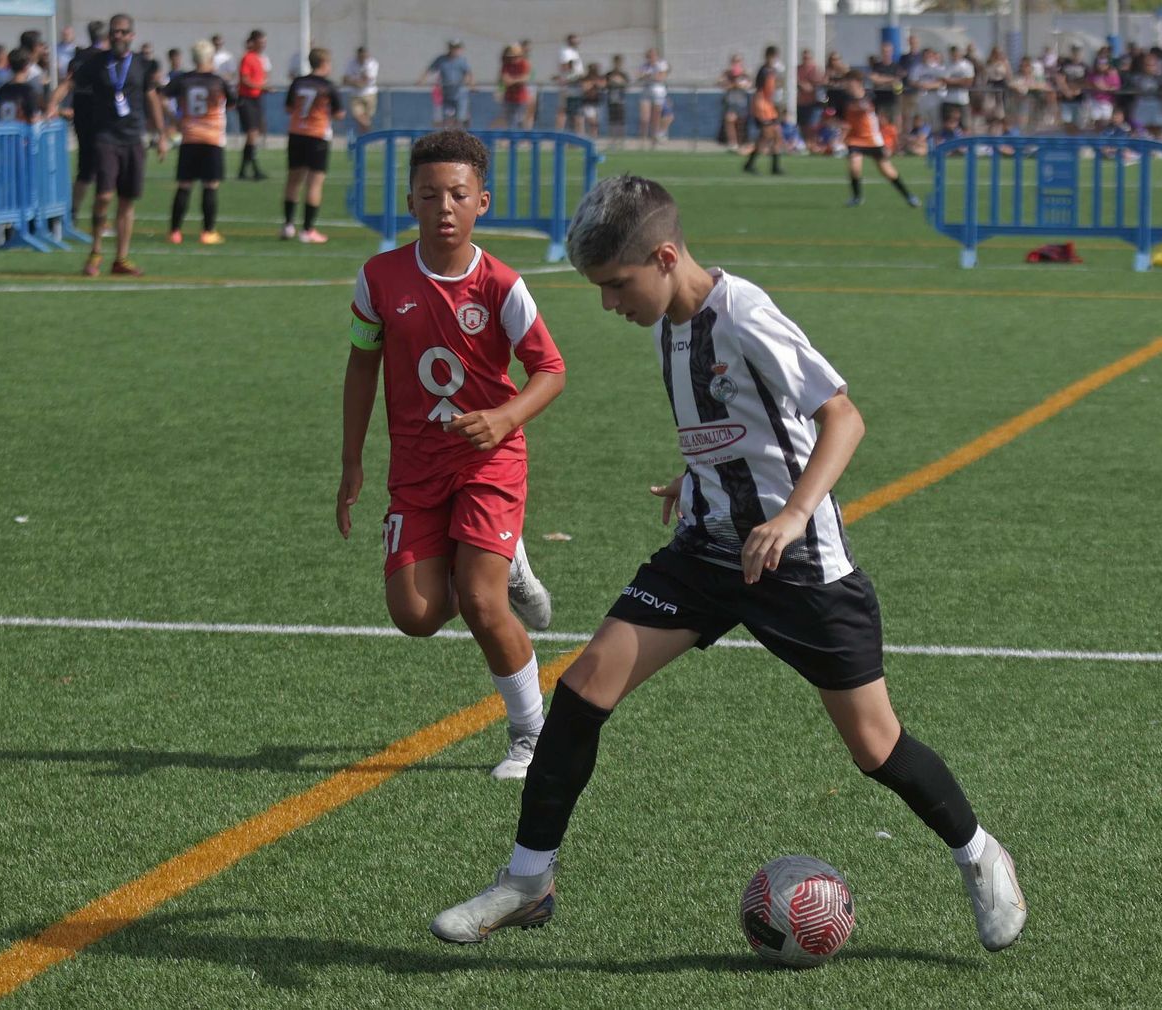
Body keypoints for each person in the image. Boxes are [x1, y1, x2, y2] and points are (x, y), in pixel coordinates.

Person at [427, 173, 1029, 953]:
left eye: (617, 285)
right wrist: (697, 476)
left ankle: (980, 856)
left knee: (875, 746)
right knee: (580, 692)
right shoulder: (667, 325)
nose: (610, 304)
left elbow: (842, 418)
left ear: (667, 256)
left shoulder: (743, 313)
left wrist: (791, 514)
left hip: (799, 565)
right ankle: (527, 882)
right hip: (706, 553)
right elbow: (736, 423)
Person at [337, 129, 564, 782]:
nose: (444, 206)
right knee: (415, 614)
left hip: (489, 463)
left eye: (458, 195)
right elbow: (361, 366)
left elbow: (549, 369)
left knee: (481, 601)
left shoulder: (500, 284)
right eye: (430, 194)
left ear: (481, 202)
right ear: (409, 199)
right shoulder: (379, 278)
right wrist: (352, 462)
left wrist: (505, 416)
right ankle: (507, 554)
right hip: (415, 467)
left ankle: (530, 737)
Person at [46, 12, 166, 277]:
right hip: (106, 137)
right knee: (103, 196)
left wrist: (162, 135)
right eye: (114, 32)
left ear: (132, 36)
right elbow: (69, 84)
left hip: (133, 138)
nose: (118, 36)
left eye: (123, 32)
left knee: (127, 200)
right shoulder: (96, 63)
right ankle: (96, 251)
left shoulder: (143, 65)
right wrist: (52, 104)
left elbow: (152, 99)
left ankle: (121, 259)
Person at [167, 39, 233, 245]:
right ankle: (208, 232)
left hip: (189, 138)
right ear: (211, 58)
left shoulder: (184, 79)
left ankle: (175, 232)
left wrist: (174, 120)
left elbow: (161, 97)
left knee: (184, 185)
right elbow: (231, 103)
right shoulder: (218, 81)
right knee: (210, 185)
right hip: (212, 139)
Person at [280, 47, 343, 244]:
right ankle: (308, 229)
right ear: (324, 63)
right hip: (317, 135)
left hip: (297, 133)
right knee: (314, 183)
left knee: (293, 180)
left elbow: (289, 107)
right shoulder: (328, 86)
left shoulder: (298, 82)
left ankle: (288, 225)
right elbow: (339, 113)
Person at [838, 71, 918, 209]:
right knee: (854, 167)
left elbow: (882, 106)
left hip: (871, 138)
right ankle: (857, 197)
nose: (847, 86)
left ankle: (908, 196)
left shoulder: (871, 96)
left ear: (857, 82)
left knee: (887, 171)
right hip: (854, 138)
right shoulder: (844, 98)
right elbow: (841, 116)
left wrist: (891, 82)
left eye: (849, 82)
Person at [65, 21, 108, 227]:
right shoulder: (103, 59)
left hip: (81, 119)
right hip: (100, 119)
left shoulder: (77, 58)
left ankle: (72, 212)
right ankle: (99, 218)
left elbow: (69, 83)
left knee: (85, 168)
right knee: (104, 169)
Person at [237, 30, 270, 180]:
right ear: (254, 42)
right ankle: (252, 169)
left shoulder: (259, 59)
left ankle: (244, 171)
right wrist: (261, 87)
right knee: (251, 134)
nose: (263, 45)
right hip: (246, 100)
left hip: (256, 100)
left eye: (264, 42)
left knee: (254, 136)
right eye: (261, 42)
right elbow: (244, 80)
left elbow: (259, 80)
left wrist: (264, 87)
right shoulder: (247, 58)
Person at [745, 46, 782, 174]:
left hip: (770, 106)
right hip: (762, 107)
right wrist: (758, 108)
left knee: (777, 134)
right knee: (766, 136)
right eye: (773, 56)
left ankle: (775, 167)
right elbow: (759, 91)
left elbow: (772, 88)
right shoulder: (764, 70)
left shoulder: (772, 71)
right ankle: (750, 164)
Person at [420, 40, 472, 129]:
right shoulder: (441, 60)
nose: (455, 50)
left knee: (460, 117)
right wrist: (422, 80)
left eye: (457, 48)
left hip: (460, 92)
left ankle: (460, 135)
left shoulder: (462, 60)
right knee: (445, 117)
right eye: (453, 48)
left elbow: (468, 73)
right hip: (446, 93)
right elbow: (430, 69)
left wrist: (470, 83)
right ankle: (446, 136)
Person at [0, 50, 42, 123]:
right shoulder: (28, 90)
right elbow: (33, 117)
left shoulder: (3, 89)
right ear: (26, 67)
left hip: (7, 129)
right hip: (23, 130)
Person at [717, 53, 751, 151]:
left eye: (738, 61)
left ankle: (741, 143)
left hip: (742, 102)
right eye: (734, 61)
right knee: (730, 120)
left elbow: (749, 85)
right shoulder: (727, 73)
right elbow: (720, 83)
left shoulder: (745, 73)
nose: (736, 63)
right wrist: (732, 84)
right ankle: (733, 142)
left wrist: (741, 84)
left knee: (741, 123)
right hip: (731, 101)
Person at [342, 46, 380, 135]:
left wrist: (354, 81)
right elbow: (345, 79)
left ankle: (364, 136)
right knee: (358, 115)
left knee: (367, 116)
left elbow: (366, 80)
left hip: (369, 93)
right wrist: (355, 82)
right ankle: (367, 133)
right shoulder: (351, 63)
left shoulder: (372, 63)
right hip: (356, 94)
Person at [869, 41, 904, 136]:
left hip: (892, 100)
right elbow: (874, 79)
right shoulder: (877, 66)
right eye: (884, 51)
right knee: (880, 123)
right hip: (879, 100)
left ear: (892, 52)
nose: (886, 53)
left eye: (888, 51)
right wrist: (891, 79)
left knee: (895, 124)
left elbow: (898, 80)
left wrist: (882, 79)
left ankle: (895, 145)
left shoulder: (896, 67)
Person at [638, 48, 669, 146]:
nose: (651, 58)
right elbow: (640, 77)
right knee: (645, 117)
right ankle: (643, 138)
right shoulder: (644, 66)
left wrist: (649, 76)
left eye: (653, 55)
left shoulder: (662, 64)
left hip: (658, 91)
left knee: (656, 116)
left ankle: (654, 137)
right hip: (646, 90)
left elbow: (661, 77)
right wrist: (649, 76)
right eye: (649, 56)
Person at [605, 55, 629, 142]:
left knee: (621, 120)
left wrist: (619, 82)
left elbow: (626, 85)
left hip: (620, 100)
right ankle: (612, 139)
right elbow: (605, 84)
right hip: (611, 99)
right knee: (612, 120)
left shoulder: (623, 74)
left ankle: (621, 139)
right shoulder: (609, 74)